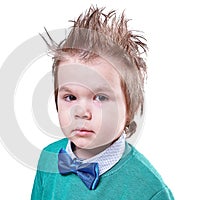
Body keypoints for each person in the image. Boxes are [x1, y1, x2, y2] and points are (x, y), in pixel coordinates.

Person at [31, 6, 174, 199]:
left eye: (100, 97)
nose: (81, 112)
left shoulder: (150, 191)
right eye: (70, 97)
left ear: (130, 107)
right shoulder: (49, 158)